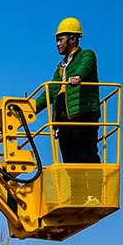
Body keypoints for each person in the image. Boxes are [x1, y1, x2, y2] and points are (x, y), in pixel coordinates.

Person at [35, 17, 101, 164]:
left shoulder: (86, 55)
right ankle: (75, 188)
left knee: (85, 156)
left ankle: (93, 186)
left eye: (61, 39)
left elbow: (85, 66)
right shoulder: (60, 69)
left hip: (81, 117)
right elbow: (48, 93)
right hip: (63, 123)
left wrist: (78, 76)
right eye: (56, 40)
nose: (58, 44)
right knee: (69, 162)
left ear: (72, 38)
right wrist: (28, 108)